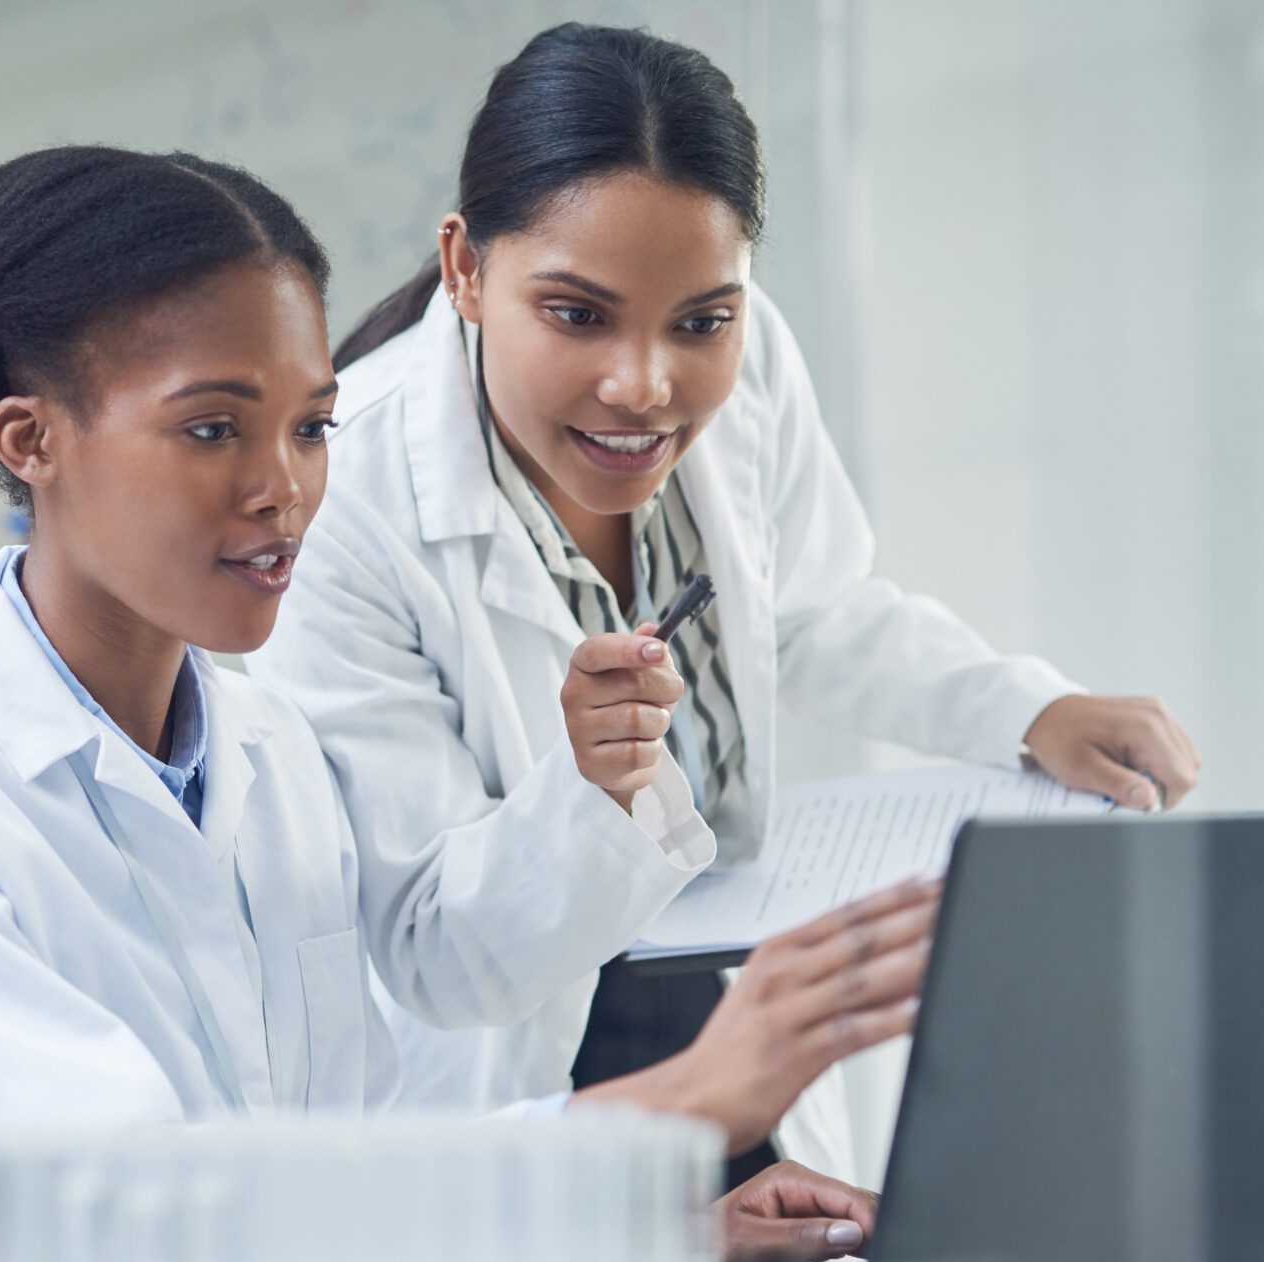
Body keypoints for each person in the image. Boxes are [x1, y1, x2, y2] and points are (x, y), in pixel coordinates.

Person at [0, 144, 939, 1262]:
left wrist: (646, 1234)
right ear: (31, 439)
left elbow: (353, 1167)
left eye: (312, 427)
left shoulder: (270, 757)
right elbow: (138, 1213)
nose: (283, 489)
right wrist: (673, 1106)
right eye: (213, 428)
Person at [245, 24, 1204, 1185]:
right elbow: (435, 951)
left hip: (730, 1008)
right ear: (464, 267)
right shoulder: (343, 496)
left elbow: (805, 610)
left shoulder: (752, 364)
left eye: (701, 320)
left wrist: (1023, 709)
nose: (646, 384)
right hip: (521, 1079)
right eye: (578, 314)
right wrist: (589, 788)